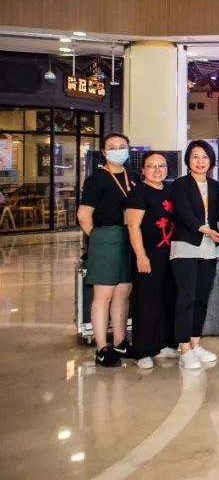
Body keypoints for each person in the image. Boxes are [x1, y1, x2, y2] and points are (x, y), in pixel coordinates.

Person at [77, 133, 135, 367]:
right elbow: (84, 215)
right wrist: (99, 238)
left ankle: (120, 341)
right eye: (113, 147)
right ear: (104, 152)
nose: (118, 150)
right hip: (105, 236)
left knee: (123, 292)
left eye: (122, 146)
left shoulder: (132, 175)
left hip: (128, 237)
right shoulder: (97, 180)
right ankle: (102, 347)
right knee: (103, 295)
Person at [171, 140, 219, 370]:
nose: (200, 161)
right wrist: (205, 229)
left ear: (211, 161)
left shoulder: (216, 186)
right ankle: (183, 348)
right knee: (186, 298)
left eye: (204, 157)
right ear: (188, 160)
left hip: (209, 248)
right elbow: (183, 213)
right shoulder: (180, 184)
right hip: (185, 246)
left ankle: (195, 343)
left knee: (202, 298)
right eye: (195, 157)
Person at [125, 151, 179, 369]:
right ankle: (143, 350)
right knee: (147, 301)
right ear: (143, 170)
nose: (157, 170)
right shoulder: (138, 193)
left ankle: (164, 344)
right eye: (152, 166)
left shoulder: (170, 189)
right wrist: (141, 255)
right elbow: (133, 226)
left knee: (167, 299)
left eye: (161, 166)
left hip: (170, 255)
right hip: (148, 255)